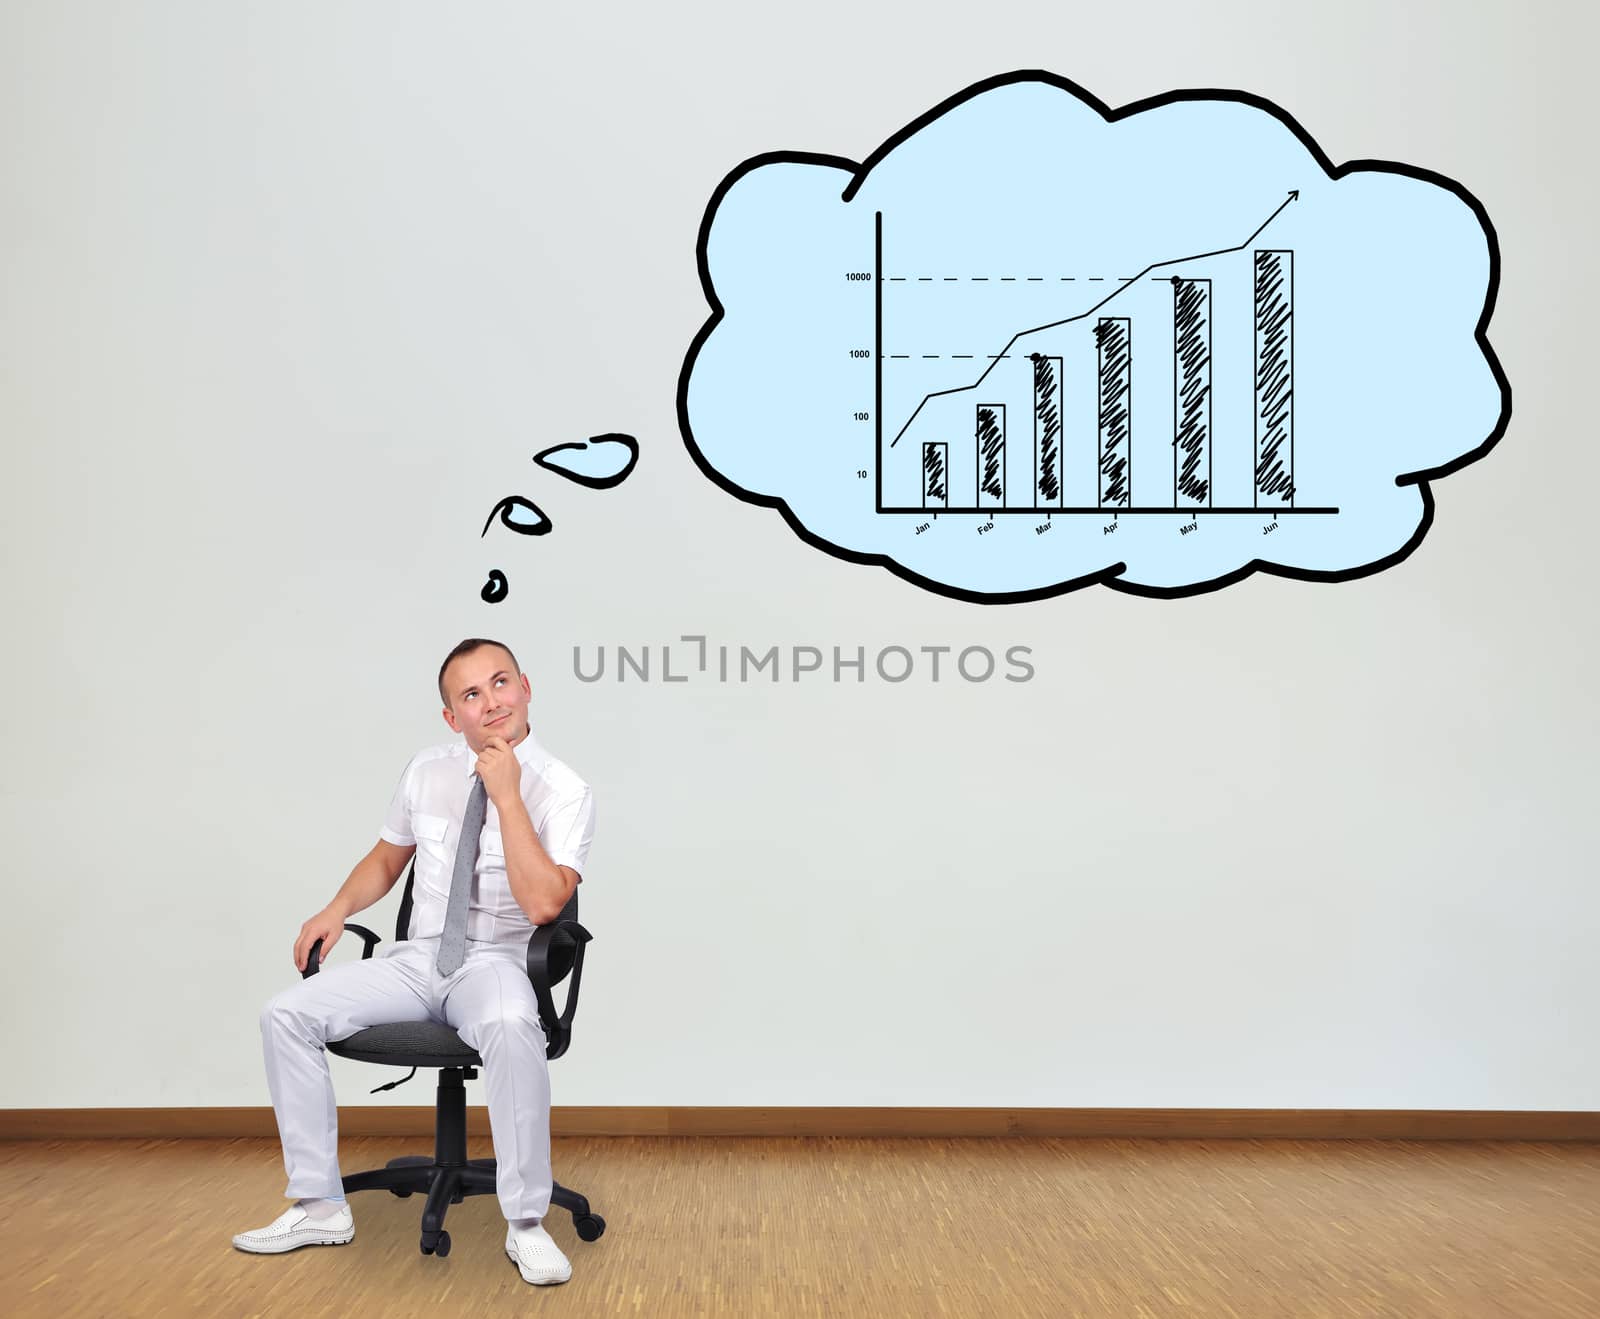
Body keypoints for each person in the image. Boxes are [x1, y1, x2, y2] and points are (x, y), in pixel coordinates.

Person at [232, 637, 596, 1287]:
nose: (491, 703)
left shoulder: (563, 789)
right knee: (284, 1014)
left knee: (514, 1028)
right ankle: (318, 1204)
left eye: (501, 682)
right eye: (471, 695)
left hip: (497, 963)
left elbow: (546, 902)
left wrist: (507, 794)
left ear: (527, 687)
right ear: (452, 717)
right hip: (416, 959)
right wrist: (335, 908)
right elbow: (385, 858)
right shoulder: (427, 769)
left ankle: (526, 1223)